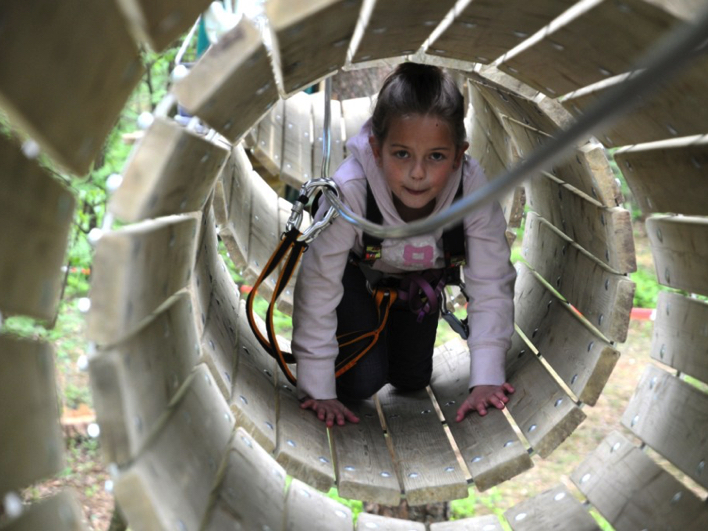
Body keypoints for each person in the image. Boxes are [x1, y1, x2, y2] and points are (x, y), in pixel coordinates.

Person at [291, 63, 516, 427]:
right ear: (377, 150)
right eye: (402, 154)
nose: (417, 173)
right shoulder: (351, 190)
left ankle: (387, 334)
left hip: (414, 289)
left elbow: (491, 281)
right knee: (365, 378)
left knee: (412, 379)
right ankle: (364, 344)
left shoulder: (470, 189)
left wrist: (487, 377)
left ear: (459, 154)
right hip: (354, 283)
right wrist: (317, 386)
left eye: (436, 157)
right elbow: (317, 287)